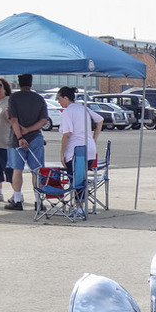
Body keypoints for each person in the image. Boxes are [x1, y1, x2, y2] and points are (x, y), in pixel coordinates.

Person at [56, 86, 104, 216]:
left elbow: (67, 134)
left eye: (59, 98)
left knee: (76, 180)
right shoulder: (83, 108)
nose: (58, 101)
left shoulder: (67, 112)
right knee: (81, 179)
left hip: (76, 150)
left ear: (65, 98)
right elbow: (100, 120)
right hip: (89, 149)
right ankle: (79, 206)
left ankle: (79, 208)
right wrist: (94, 139)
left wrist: (62, 153)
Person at [5, 74, 49, 211]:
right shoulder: (39, 99)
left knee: (17, 170)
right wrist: (29, 130)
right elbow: (43, 120)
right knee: (36, 170)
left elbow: (13, 119)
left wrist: (20, 136)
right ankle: (38, 201)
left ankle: (17, 199)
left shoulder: (14, 98)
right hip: (35, 136)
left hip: (16, 139)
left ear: (19, 83)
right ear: (31, 83)